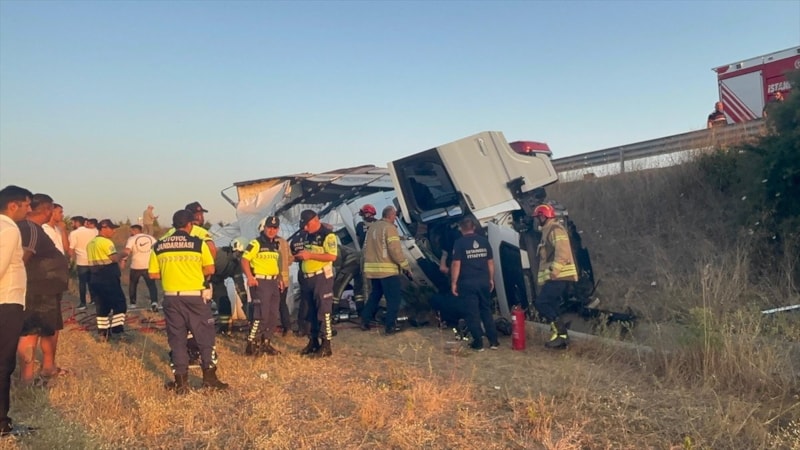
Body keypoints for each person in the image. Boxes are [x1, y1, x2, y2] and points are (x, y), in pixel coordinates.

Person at [149, 209, 227, 394]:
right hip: (195, 297)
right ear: (190, 225)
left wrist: (171, 274)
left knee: (177, 339)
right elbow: (209, 269)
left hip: (171, 297)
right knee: (205, 337)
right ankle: (209, 378)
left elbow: (153, 274)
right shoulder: (198, 243)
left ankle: (181, 383)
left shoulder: (159, 245)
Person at [16, 193, 70, 384]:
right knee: (31, 331)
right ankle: (27, 378)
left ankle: (49, 367)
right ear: (47, 209)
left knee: (50, 328)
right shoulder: (30, 228)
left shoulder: (34, 228)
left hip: (48, 288)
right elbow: (23, 257)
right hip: (38, 290)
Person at [0, 185, 33, 437]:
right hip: (6, 303)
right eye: (26, 205)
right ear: (13, 205)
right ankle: (2, 422)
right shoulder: (9, 229)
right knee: (3, 363)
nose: (29, 209)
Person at [240, 216, 290, 356]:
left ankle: (266, 342)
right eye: (269, 227)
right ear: (264, 227)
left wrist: (279, 278)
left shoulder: (276, 245)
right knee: (261, 314)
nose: (272, 230)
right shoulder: (256, 243)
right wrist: (250, 277)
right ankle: (252, 343)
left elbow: (276, 265)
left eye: (275, 228)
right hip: (260, 282)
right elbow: (244, 260)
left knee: (273, 315)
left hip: (273, 282)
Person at [531, 204, 578, 349]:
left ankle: (561, 333)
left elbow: (562, 253)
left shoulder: (555, 230)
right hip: (555, 277)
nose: (537, 220)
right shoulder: (547, 231)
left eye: (538, 217)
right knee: (552, 305)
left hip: (560, 277)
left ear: (544, 216)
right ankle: (560, 336)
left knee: (542, 303)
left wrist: (554, 272)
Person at [360, 206, 411, 335]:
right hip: (387, 271)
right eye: (395, 216)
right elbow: (395, 250)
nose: (395, 218)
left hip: (373, 270)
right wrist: (406, 266)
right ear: (390, 215)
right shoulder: (390, 228)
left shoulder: (373, 227)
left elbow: (366, 247)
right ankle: (390, 326)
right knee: (393, 299)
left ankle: (364, 320)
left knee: (375, 295)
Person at [450, 217, 499, 351]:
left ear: (461, 228)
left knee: (472, 313)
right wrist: (490, 279)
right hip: (483, 281)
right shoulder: (484, 242)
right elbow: (490, 262)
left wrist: (454, 282)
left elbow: (456, 264)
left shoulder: (459, 243)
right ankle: (494, 341)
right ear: (474, 227)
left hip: (467, 283)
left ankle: (478, 343)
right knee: (486, 311)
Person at [295, 209, 338, 357]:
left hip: (321, 278)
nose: (305, 228)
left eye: (307, 225)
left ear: (314, 220)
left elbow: (332, 256)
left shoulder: (328, 236)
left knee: (323, 310)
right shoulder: (307, 235)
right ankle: (313, 341)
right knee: (310, 311)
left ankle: (326, 344)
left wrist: (310, 255)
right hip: (308, 278)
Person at [86, 219, 127, 340]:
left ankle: (103, 333)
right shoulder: (106, 242)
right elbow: (114, 258)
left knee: (101, 305)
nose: (114, 231)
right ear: (103, 228)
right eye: (111, 228)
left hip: (94, 277)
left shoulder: (91, 243)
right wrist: (124, 253)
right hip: (108, 276)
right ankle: (117, 330)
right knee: (120, 304)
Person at [210, 237, 246, 335]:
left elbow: (239, 284)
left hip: (218, 282)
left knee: (224, 302)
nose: (239, 257)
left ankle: (224, 328)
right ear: (232, 249)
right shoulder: (218, 254)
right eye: (238, 253)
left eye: (242, 254)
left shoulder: (236, 266)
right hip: (205, 281)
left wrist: (244, 300)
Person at [121, 225, 158, 311]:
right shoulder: (151, 238)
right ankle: (154, 302)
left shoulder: (132, 239)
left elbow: (127, 251)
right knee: (151, 285)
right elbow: (157, 248)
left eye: (131, 231)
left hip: (136, 265)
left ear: (134, 231)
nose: (130, 233)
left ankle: (133, 303)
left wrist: (123, 260)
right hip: (149, 265)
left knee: (133, 284)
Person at [68, 215, 98, 310]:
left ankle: (83, 303)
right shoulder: (94, 231)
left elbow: (71, 248)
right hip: (93, 260)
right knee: (92, 281)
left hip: (82, 261)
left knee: (82, 283)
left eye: (72, 223)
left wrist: (70, 260)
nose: (72, 225)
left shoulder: (74, 233)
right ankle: (94, 299)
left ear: (77, 223)